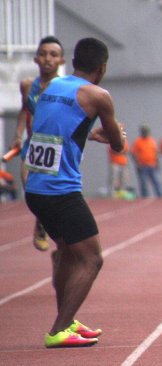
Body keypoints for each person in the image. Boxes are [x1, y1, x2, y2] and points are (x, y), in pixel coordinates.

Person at [24, 37, 126, 348]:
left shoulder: (51, 87)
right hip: (61, 190)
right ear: (103, 67)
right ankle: (58, 328)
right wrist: (113, 136)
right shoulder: (98, 95)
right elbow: (119, 145)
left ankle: (67, 322)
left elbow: (55, 128)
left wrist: (88, 135)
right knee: (92, 259)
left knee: (68, 252)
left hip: (35, 186)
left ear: (72, 61)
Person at [10, 36, 65, 251]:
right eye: (43, 54)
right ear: (35, 59)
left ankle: (47, 223)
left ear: (61, 61)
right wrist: (17, 133)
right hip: (34, 144)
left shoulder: (64, 87)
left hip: (57, 146)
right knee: (29, 186)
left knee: (53, 193)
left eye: (53, 55)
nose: (47, 59)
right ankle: (41, 221)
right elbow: (25, 109)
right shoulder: (27, 85)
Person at [131, 124, 162, 198]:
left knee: (157, 182)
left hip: (152, 165)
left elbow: (156, 153)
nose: (145, 132)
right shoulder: (137, 142)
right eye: (144, 131)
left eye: (146, 131)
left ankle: (161, 197)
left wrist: (158, 163)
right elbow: (133, 153)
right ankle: (145, 197)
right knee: (143, 183)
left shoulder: (152, 141)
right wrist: (137, 163)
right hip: (143, 166)